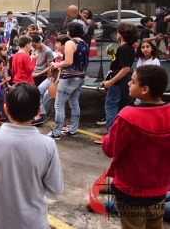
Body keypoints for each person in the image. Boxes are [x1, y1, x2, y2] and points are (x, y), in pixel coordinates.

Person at [0, 82, 63, 229]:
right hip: (34, 222)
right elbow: (55, 188)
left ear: (5, 109)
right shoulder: (47, 144)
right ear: (38, 111)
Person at [102, 65, 170, 228]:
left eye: (133, 82)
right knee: (155, 224)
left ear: (145, 89)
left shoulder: (128, 117)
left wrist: (109, 133)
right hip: (159, 187)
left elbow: (109, 149)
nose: (128, 84)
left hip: (130, 190)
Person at [95, 22, 138, 143]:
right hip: (123, 82)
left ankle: (111, 135)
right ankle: (120, 133)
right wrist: (113, 54)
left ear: (122, 34)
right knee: (121, 107)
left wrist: (109, 82)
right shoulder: (129, 48)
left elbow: (125, 68)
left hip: (118, 83)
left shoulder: (123, 49)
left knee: (111, 106)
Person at [47, 22, 89, 140]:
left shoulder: (70, 42)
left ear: (70, 32)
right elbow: (76, 59)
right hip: (80, 77)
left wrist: (56, 64)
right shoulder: (84, 43)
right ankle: (73, 130)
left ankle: (56, 132)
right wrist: (62, 59)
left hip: (69, 77)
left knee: (59, 105)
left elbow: (69, 62)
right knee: (74, 104)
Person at [32, 34, 70, 126]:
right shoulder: (58, 52)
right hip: (53, 76)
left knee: (53, 98)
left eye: (58, 43)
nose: (55, 44)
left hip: (56, 77)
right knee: (44, 94)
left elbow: (51, 67)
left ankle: (42, 115)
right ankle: (41, 114)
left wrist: (56, 65)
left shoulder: (49, 51)